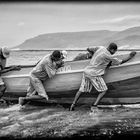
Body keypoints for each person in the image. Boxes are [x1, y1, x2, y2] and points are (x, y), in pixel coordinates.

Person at [69, 43, 136, 111]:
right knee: (103, 90)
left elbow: (88, 48)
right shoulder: (109, 56)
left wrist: (93, 55)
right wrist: (130, 56)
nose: (114, 53)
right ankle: (94, 106)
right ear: (112, 50)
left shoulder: (100, 48)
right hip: (94, 74)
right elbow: (121, 62)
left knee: (82, 90)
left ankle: (73, 105)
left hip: (87, 71)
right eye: (115, 51)